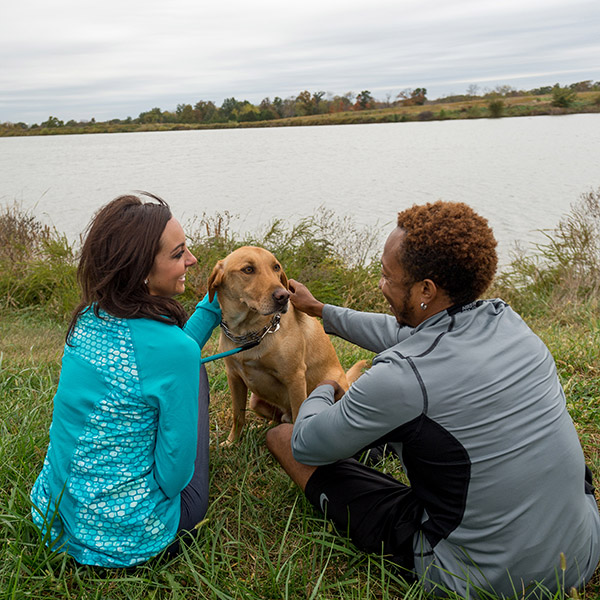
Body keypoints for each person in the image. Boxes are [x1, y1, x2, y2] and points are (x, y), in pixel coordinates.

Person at [266, 201, 600, 597]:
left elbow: (308, 445)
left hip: (484, 579)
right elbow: (405, 335)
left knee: (284, 437)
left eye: (387, 276)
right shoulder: (509, 323)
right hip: (581, 550)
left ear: (426, 290)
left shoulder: (401, 378)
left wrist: (325, 388)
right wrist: (322, 311)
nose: (381, 285)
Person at [30, 193, 221, 567]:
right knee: (194, 370)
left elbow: (161, 360)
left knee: (185, 365)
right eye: (178, 253)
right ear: (141, 271)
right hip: (129, 537)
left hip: (55, 520)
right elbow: (174, 477)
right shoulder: (176, 352)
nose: (192, 260)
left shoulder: (89, 318)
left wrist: (212, 305)